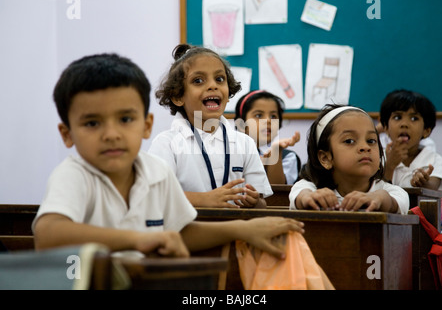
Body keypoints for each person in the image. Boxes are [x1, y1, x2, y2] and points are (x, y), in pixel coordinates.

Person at [32, 53, 305, 259]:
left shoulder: (154, 172)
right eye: (92, 123)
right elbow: (48, 235)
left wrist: (241, 230)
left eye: (126, 118)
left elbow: (180, 231)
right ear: (67, 134)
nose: (111, 134)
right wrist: (138, 239)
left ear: (146, 125)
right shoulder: (75, 175)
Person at [148, 44, 272, 208]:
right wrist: (204, 199)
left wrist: (254, 201)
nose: (213, 85)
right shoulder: (166, 143)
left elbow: (262, 204)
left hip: (237, 231)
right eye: (198, 81)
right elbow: (155, 196)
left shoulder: (245, 143)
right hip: (188, 232)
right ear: (178, 96)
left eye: (220, 79)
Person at [289, 104, 409, 215]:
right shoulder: (310, 187)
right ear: (325, 158)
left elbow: (393, 202)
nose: (365, 147)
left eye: (371, 141)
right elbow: (301, 196)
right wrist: (309, 198)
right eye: (349, 141)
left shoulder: (391, 191)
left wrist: (380, 198)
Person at [379, 89, 442, 191]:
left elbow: (432, 187)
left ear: (426, 130)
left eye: (414, 119)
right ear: (385, 127)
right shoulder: (378, 158)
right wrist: (389, 166)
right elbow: (376, 191)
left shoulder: (434, 160)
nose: (404, 124)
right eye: (397, 117)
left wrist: (423, 182)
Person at [234, 90, 301, 184]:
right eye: (258, 115)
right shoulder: (229, 153)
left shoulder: (288, 157)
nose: (268, 120)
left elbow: (277, 193)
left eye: (273, 116)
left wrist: (276, 151)